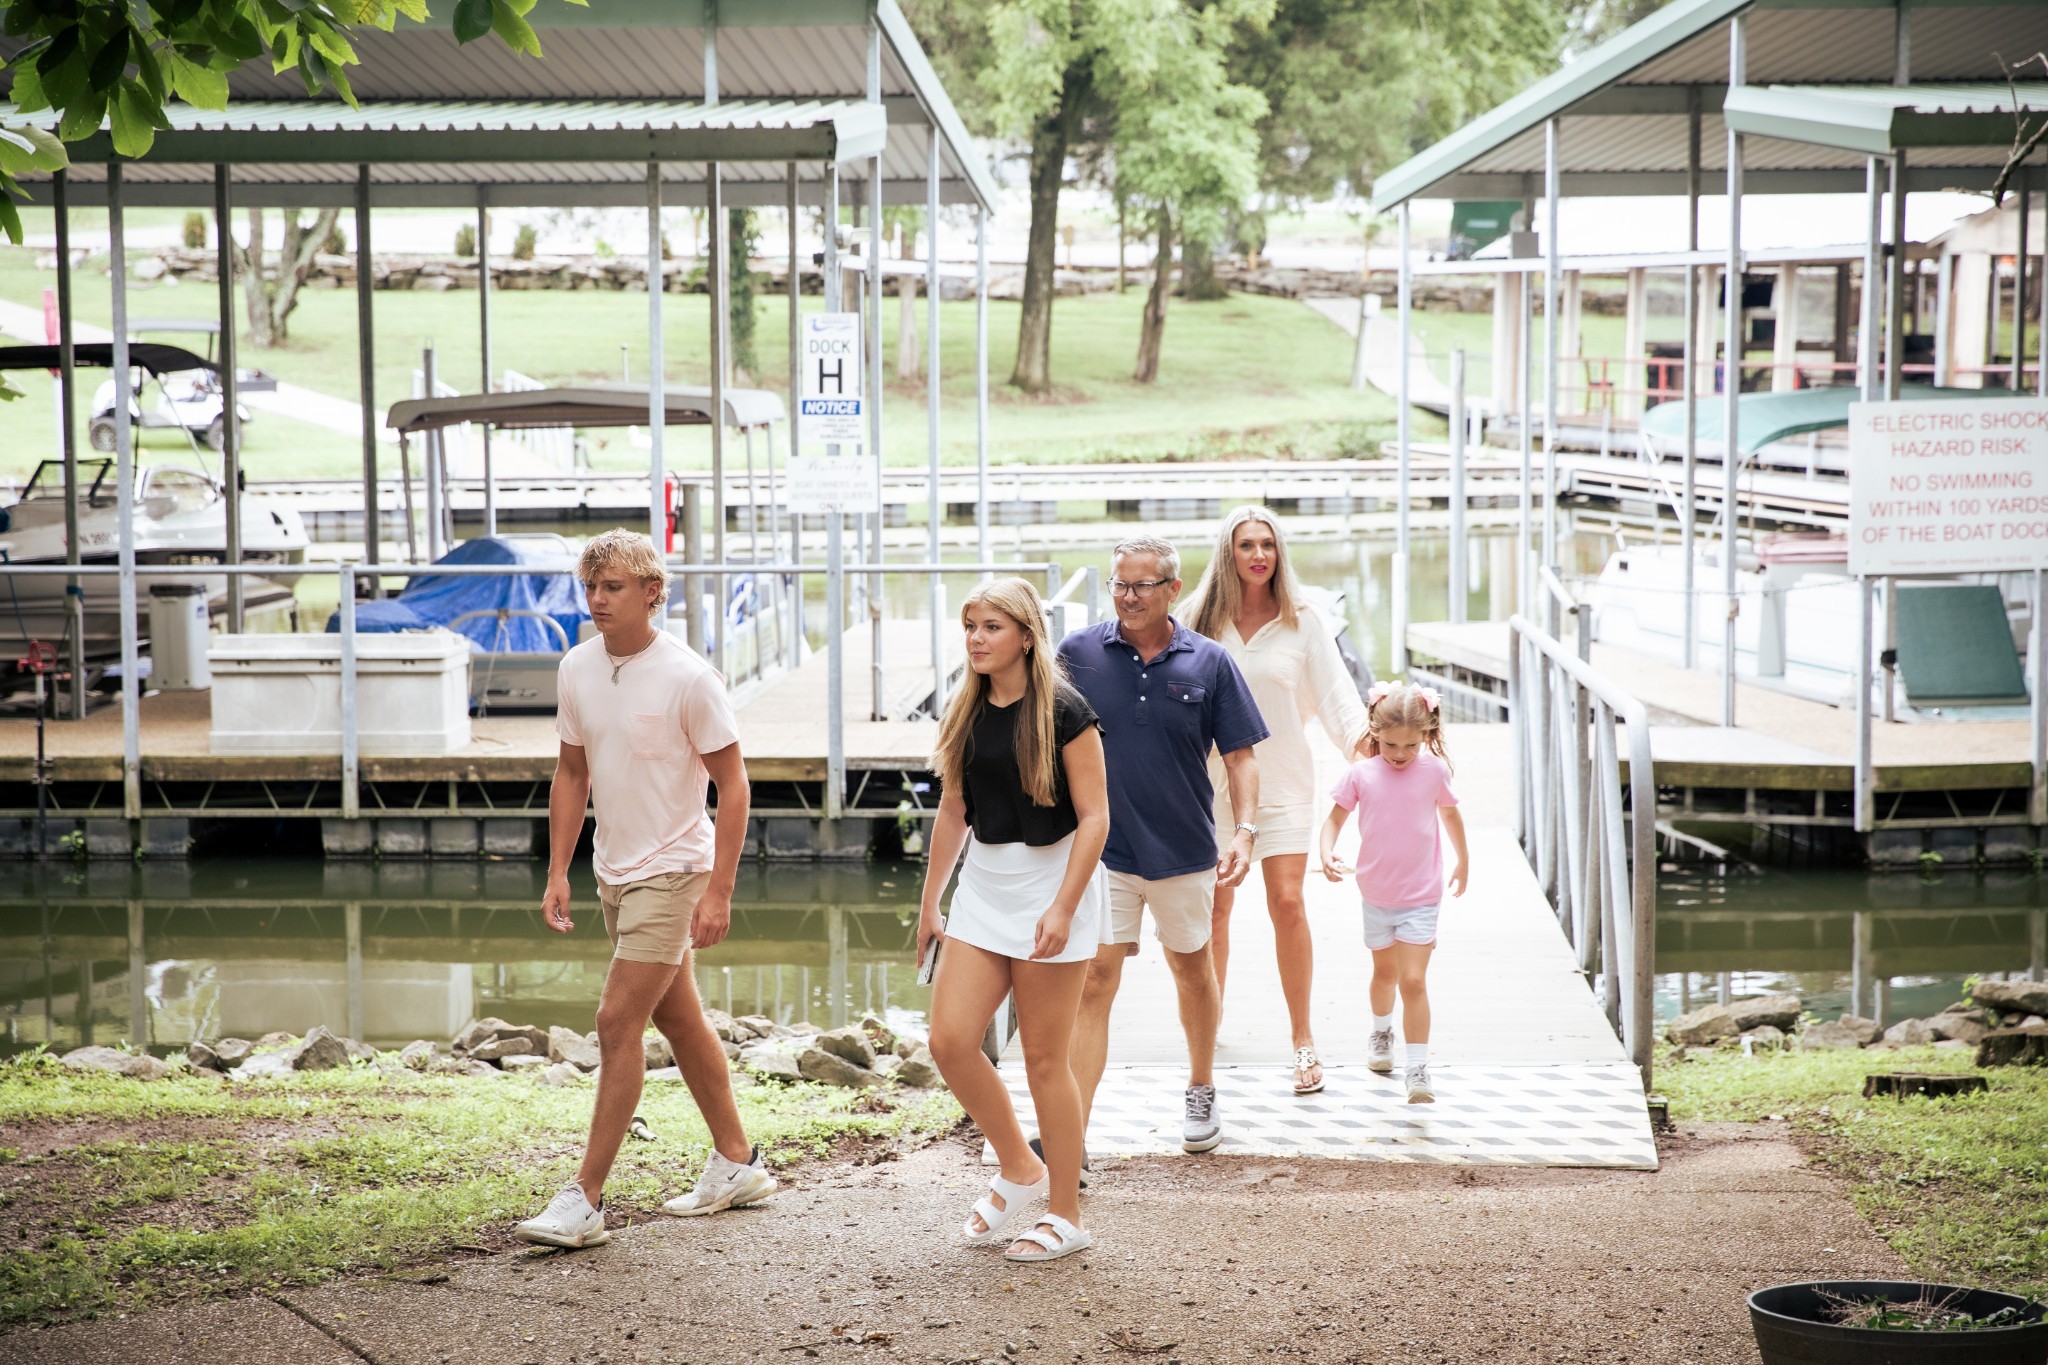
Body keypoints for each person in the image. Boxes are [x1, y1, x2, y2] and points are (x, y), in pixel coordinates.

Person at [515, 529, 777, 1248]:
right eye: (591, 588)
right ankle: (736, 1160)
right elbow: (573, 774)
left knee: (615, 1020)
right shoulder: (575, 667)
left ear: (652, 592)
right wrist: (557, 869)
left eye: (615, 587)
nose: (598, 600)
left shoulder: (690, 677)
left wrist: (719, 889)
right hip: (613, 870)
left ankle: (585, 1197)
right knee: (679, 1019)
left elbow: (734, 785)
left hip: (674, 870)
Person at [917, 577, 1110, 1264]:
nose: (975, 637)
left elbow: (1096, 817)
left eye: (991, 626)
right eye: (970, 624)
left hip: (1052, 885)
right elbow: (952, 811)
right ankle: (1017, 1166)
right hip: (984, 888)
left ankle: (1066, 1211)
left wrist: (1063, 905)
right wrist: (930, 900)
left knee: (1044, 1058)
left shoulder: (1065, 709)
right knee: (949, 1039)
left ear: (1026, 635)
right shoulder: (965, 707)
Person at [1058, 536, 1267, 1155]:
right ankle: (1076, 1128)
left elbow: (1241, 757)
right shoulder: (1077, 654)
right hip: (1103, 851)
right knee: (1096, 977)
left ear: (1173, 589)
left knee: (1191, 969)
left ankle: (1201, 1084)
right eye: (1119, 584)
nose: (1126, 596)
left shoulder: (1209, 662)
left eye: (1140, 585)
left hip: (1183, 850)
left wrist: (1246, 831)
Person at [1182, 506, 1369, 1096]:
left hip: (1284, 782)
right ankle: (1206, 1033)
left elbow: (1338, 699)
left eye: (1267, 544)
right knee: (1215, 909)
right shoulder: (1194, 619)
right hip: (1210, 788)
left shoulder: (1303, 621)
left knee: (1288, 901)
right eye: (1246, 545)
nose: (1258, 555)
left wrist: (1384, 752)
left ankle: (1302, 1038)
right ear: (1227, 553)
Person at [1317, 681, 1468, 1104]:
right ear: (1375, 733)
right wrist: (1327, 852)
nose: (1400, 754)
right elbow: (1333, 821)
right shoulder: (1360, 774)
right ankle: (1381, 1032)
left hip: (1422, 893)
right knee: (1384, 974)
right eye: (1390, 745)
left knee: (1413, 979)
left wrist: (1463, 860)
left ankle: (1417, 1067)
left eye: (1409, 746)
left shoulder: (1434, 771)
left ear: (1427, 735)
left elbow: (1451, 817)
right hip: (1377, 893)